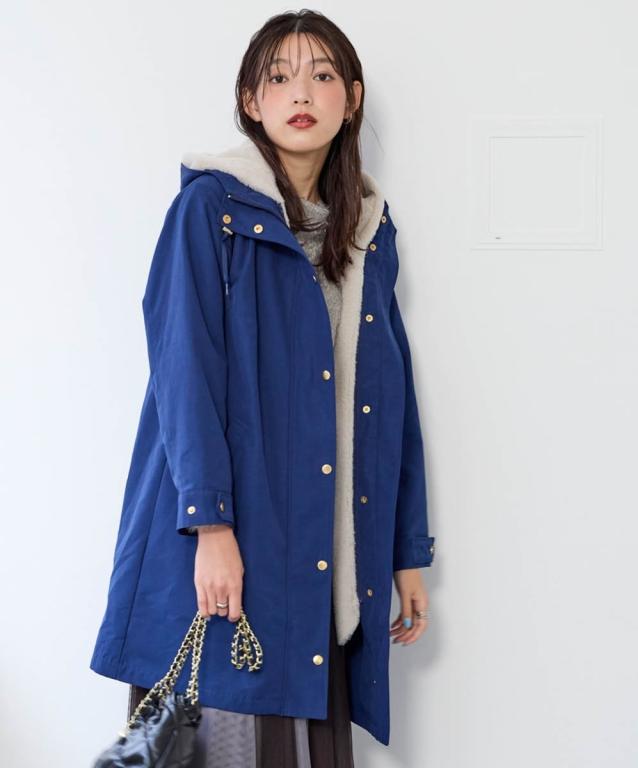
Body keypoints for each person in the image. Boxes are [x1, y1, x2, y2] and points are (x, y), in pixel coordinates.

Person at [90, 9, 436, 765]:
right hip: (232, 540)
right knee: (228, 739)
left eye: (321, 76)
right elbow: (184, 376)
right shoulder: (209, 212)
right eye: (278, 78)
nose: (300, 93)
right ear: (251, 101)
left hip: (322, 557)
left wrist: (405, 551)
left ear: (351, 98)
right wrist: (210, 529)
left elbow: (388, 405)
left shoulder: (368, 235)